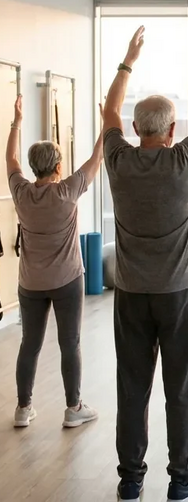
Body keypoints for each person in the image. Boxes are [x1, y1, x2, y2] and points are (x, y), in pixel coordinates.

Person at [104, 26, 188, 502]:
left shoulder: (117, 158)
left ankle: (131, 482)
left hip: (131, 294)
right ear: (172, 131)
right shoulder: (184, 161)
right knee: (180, 388)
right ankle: (181, 481)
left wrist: (128, 60)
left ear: (137, 130)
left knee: (132, 387)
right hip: (177, 295)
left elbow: (110, 110)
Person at [6, 94, 103, 430]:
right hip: (66, 281)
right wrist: (108, 123)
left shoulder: (20, 191)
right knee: (70, 342)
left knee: (29, 344)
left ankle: (23, 408)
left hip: (30, 283)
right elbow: (96, 158)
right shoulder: (68, 191)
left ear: (35, 167)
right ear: (58, 166)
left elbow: (10, 158)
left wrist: (17, 122)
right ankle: (73, 407)